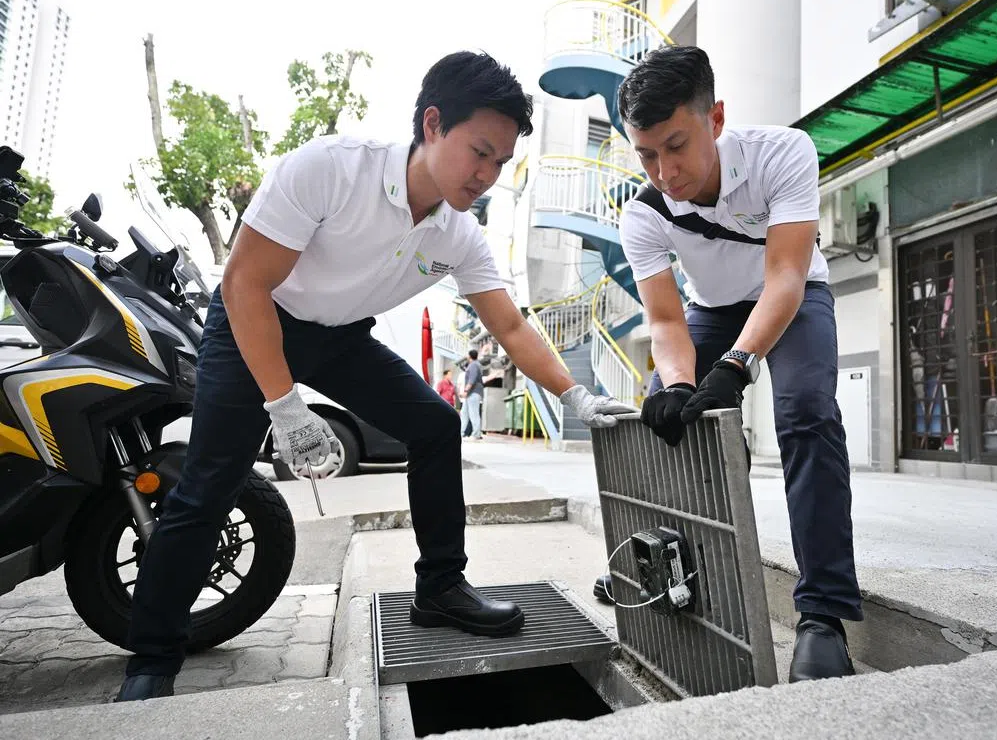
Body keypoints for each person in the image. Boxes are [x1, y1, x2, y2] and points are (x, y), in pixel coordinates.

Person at [115, 50, 634, 701]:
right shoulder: (333, 169)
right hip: (255, 316)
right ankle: (152, 662)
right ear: (434, 124)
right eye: (479, 152)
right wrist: (285, 406)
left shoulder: (459, 235)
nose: (488, 175)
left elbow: (510, 328)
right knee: (213, 480)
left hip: (340, 335)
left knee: (437, 427)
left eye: (501, 163)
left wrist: (576, 394)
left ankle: (441, 589)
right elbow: (245, 280)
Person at [598, 45, 863, 683]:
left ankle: (823, 617)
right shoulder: (642, 213)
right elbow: (664, 321)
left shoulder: (784, 152)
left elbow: (786, 274)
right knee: (666, 412)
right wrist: (683, 381)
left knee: (804, 409)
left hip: (794, 296)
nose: (665, 170)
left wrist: (738, 366)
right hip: (709, 310)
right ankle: (673, 577)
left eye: (677, 145)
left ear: (715, 118)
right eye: (647, 154)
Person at [459, 349, 484, 439]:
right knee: (464, 413)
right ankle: (460, 433)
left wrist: (465, 391)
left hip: (473, 393)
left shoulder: (473, 365)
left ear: (469, 356)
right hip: (471, 393)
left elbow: (472, 379)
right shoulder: (475, 364)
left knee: (474, 413)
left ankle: (476, 434)